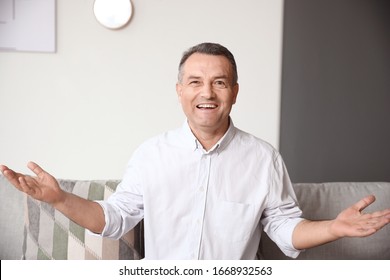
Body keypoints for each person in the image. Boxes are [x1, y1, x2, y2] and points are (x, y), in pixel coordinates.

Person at [1, 42, 390, 260]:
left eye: (220, 82)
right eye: (196, 82)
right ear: (180, 91)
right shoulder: (152, 153)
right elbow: (114, 219)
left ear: (234, 92)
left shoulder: (263, 158)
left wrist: (334, 229)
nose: (207, 92)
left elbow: (286, 229)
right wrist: (59, 198)